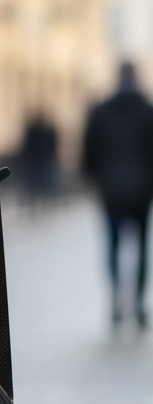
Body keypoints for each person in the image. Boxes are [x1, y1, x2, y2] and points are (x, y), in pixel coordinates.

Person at [84, 61, 153, 328]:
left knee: (112, 246)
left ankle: (114, 297)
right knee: (141, 248)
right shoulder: (147, 111)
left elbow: (89, 151)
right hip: (142, 191)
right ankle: (136, 303)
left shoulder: (101, 112)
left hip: (111, 190)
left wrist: (97, 179)